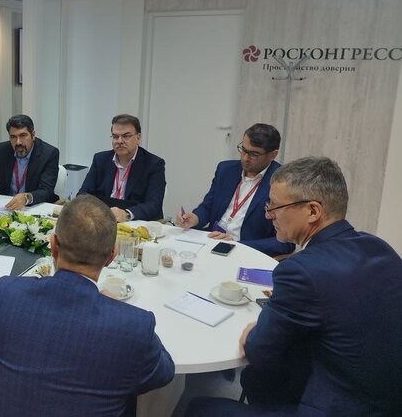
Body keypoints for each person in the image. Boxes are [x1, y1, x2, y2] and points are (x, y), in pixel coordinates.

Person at [187, 157, 402, 417]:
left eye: (275, 206)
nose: (268, 214)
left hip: (336, 405)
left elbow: (258, 351)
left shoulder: (300, 270)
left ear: (313, 211)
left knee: (199, 407)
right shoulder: (379, 247)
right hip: (387, 399)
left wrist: (257, 329)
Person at [0, 195, 174, 417]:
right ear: (111, 256)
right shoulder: (133, 326)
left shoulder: (4, 293)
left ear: (53, 246)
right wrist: (120, 313)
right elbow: (164, 372)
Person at [175, 123, 294, 256]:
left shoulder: (283, 182)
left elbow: (287, 242)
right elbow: (208, 207)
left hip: (245, 251)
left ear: (272, 155)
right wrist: (195, 218)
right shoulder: (225, 170)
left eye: (254, 154)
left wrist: (238, 245)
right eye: (243, 150)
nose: (245, 158)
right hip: (212, 240)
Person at [79, 114, 165, 221]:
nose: (119, 141)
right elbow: (83, 194)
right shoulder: (100, 159)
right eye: (115, 136)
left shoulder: (154, 164)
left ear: (138, 138)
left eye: (126, 136)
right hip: (103, 220)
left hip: (136, 222)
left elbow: (154, 205)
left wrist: (127, 214)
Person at [0, 114, 59, 210]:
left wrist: (26, 198)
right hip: (6, 208)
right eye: (13, 137)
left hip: (35, 207)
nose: (18, 142)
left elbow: (46, 191)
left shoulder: (49, 154)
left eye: (23, 135)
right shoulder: (1, 150)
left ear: (33, 135)